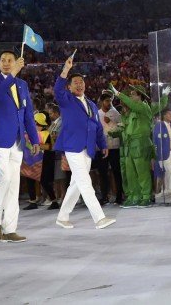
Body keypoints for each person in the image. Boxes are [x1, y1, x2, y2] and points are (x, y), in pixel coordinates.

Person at [52, 54, 115, 230]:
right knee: (85, 181)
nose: (79, 84)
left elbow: (97, 127)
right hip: (72, 147)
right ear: (69, 87)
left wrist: (103, 144)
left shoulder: (92, 105)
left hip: (88, 148)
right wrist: (66, 69)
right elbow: (57, 89)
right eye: (75, 83)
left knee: (76, 184)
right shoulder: (66, 99)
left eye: (81, 82)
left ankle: (62, 217)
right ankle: (99, 218)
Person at [0, 49, 39, 242]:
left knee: (14, 184)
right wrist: (13, 74)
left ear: (16, 62)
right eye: (3, 60)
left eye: (10, 60)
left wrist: (34, 139)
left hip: (18, 141)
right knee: (5, 179)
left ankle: (10, 229)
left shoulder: (22, 85)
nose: (6, 63)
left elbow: (27, 114)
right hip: (0, 138)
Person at [113, 83, 157, 207]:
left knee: (142, 172)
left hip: (141, 143)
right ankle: (135, 196)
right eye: (130, 95)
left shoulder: (143, 107)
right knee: (131, 173)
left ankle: (146, 196)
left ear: (139, 96)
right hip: (130, 144)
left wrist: (118, 94)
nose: (131, 97)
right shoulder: (133, 112)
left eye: (133, 95)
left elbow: (131, 104)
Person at [94, 94, 124, 205]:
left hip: (114, 146)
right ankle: (104, 196)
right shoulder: (97, 114)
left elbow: (122, 125)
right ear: (101, 102)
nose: (109, 103)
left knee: (117, 172)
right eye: (107, 101)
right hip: (102, 148)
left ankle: (119, 196)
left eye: (110, 101)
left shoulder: (115, 113)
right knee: (103, 173)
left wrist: (112, 121)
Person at [153, 108, 171, 201]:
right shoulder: (159, 125)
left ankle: (168, 190)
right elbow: (155, 140)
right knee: (168, 171)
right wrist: (157, 154)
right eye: (169, 114)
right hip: (164, 152)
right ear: (164, 116)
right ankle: (168, 190)